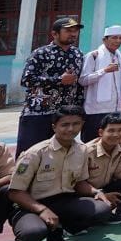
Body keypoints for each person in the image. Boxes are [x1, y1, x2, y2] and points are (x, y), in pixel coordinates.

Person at [8, 105, 113, 241]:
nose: (70, 129)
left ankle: (63, 227)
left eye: (76, 124)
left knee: (102, 209)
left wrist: (96, 192)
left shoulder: (82, 150)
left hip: (63, 201)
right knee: (32, 233)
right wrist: (42, 210)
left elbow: (79, 183)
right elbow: (15, 192)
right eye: (64, 125)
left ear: (82, 124)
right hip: (31, 204)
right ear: (54, 127)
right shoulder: (35, 153)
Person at [17, 16, 85, 154]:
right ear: (54, 33)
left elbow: (78, 83)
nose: (73, 34)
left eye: (75, 30)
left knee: (59, 155)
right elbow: (26, 79)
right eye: (68, 30)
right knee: (31, 153)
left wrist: (78, 108)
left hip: (64, 115)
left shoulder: (77, 54)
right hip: (38, 112)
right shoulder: (41, 53)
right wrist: (59, 80)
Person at [83, 111, 121, 222]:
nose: (116, 135)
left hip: (106, 186)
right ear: (101, 132)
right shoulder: (86, 152)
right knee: (90, 219)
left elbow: (120, 172)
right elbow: (77, 183)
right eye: (111, 130)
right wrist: (100, 194)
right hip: (86, 192)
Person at [79, 25, 121, 141]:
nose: (118, 41)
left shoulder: (118, 56)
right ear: (104, 39)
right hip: (95, 110)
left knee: (112, 143)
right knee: (93, 143)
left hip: (114, 109)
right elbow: (83, 80)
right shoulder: (93, 56)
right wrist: (104, 71)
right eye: (114, 37)